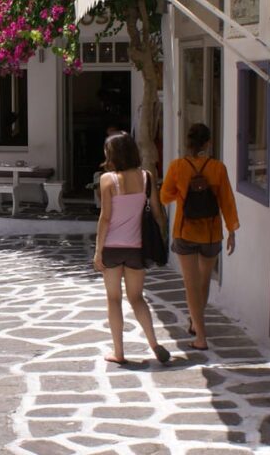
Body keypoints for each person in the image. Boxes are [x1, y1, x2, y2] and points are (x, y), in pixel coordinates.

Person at [160, 123, 239, 351]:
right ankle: (196, 322)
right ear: (208, 143)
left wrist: (183, 192)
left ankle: (200, 335)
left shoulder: (177, 166)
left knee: (190, 284)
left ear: (188, 143)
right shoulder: (217, 168)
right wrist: (231, 230)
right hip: (212, 234)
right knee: (204, 282)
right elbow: (227, 201)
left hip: (185, 232)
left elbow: (165, 197)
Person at [93, 131, 170, 365]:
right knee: (137, 298)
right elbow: (158, 213)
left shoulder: (108, 180)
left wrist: (98, 251)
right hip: (137, 248)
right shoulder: (146, 177)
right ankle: (154, 343)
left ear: (112, 154)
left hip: (113, 247)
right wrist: (162, 238)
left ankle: (119, 352)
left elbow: (105, 218)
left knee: (113, 299)